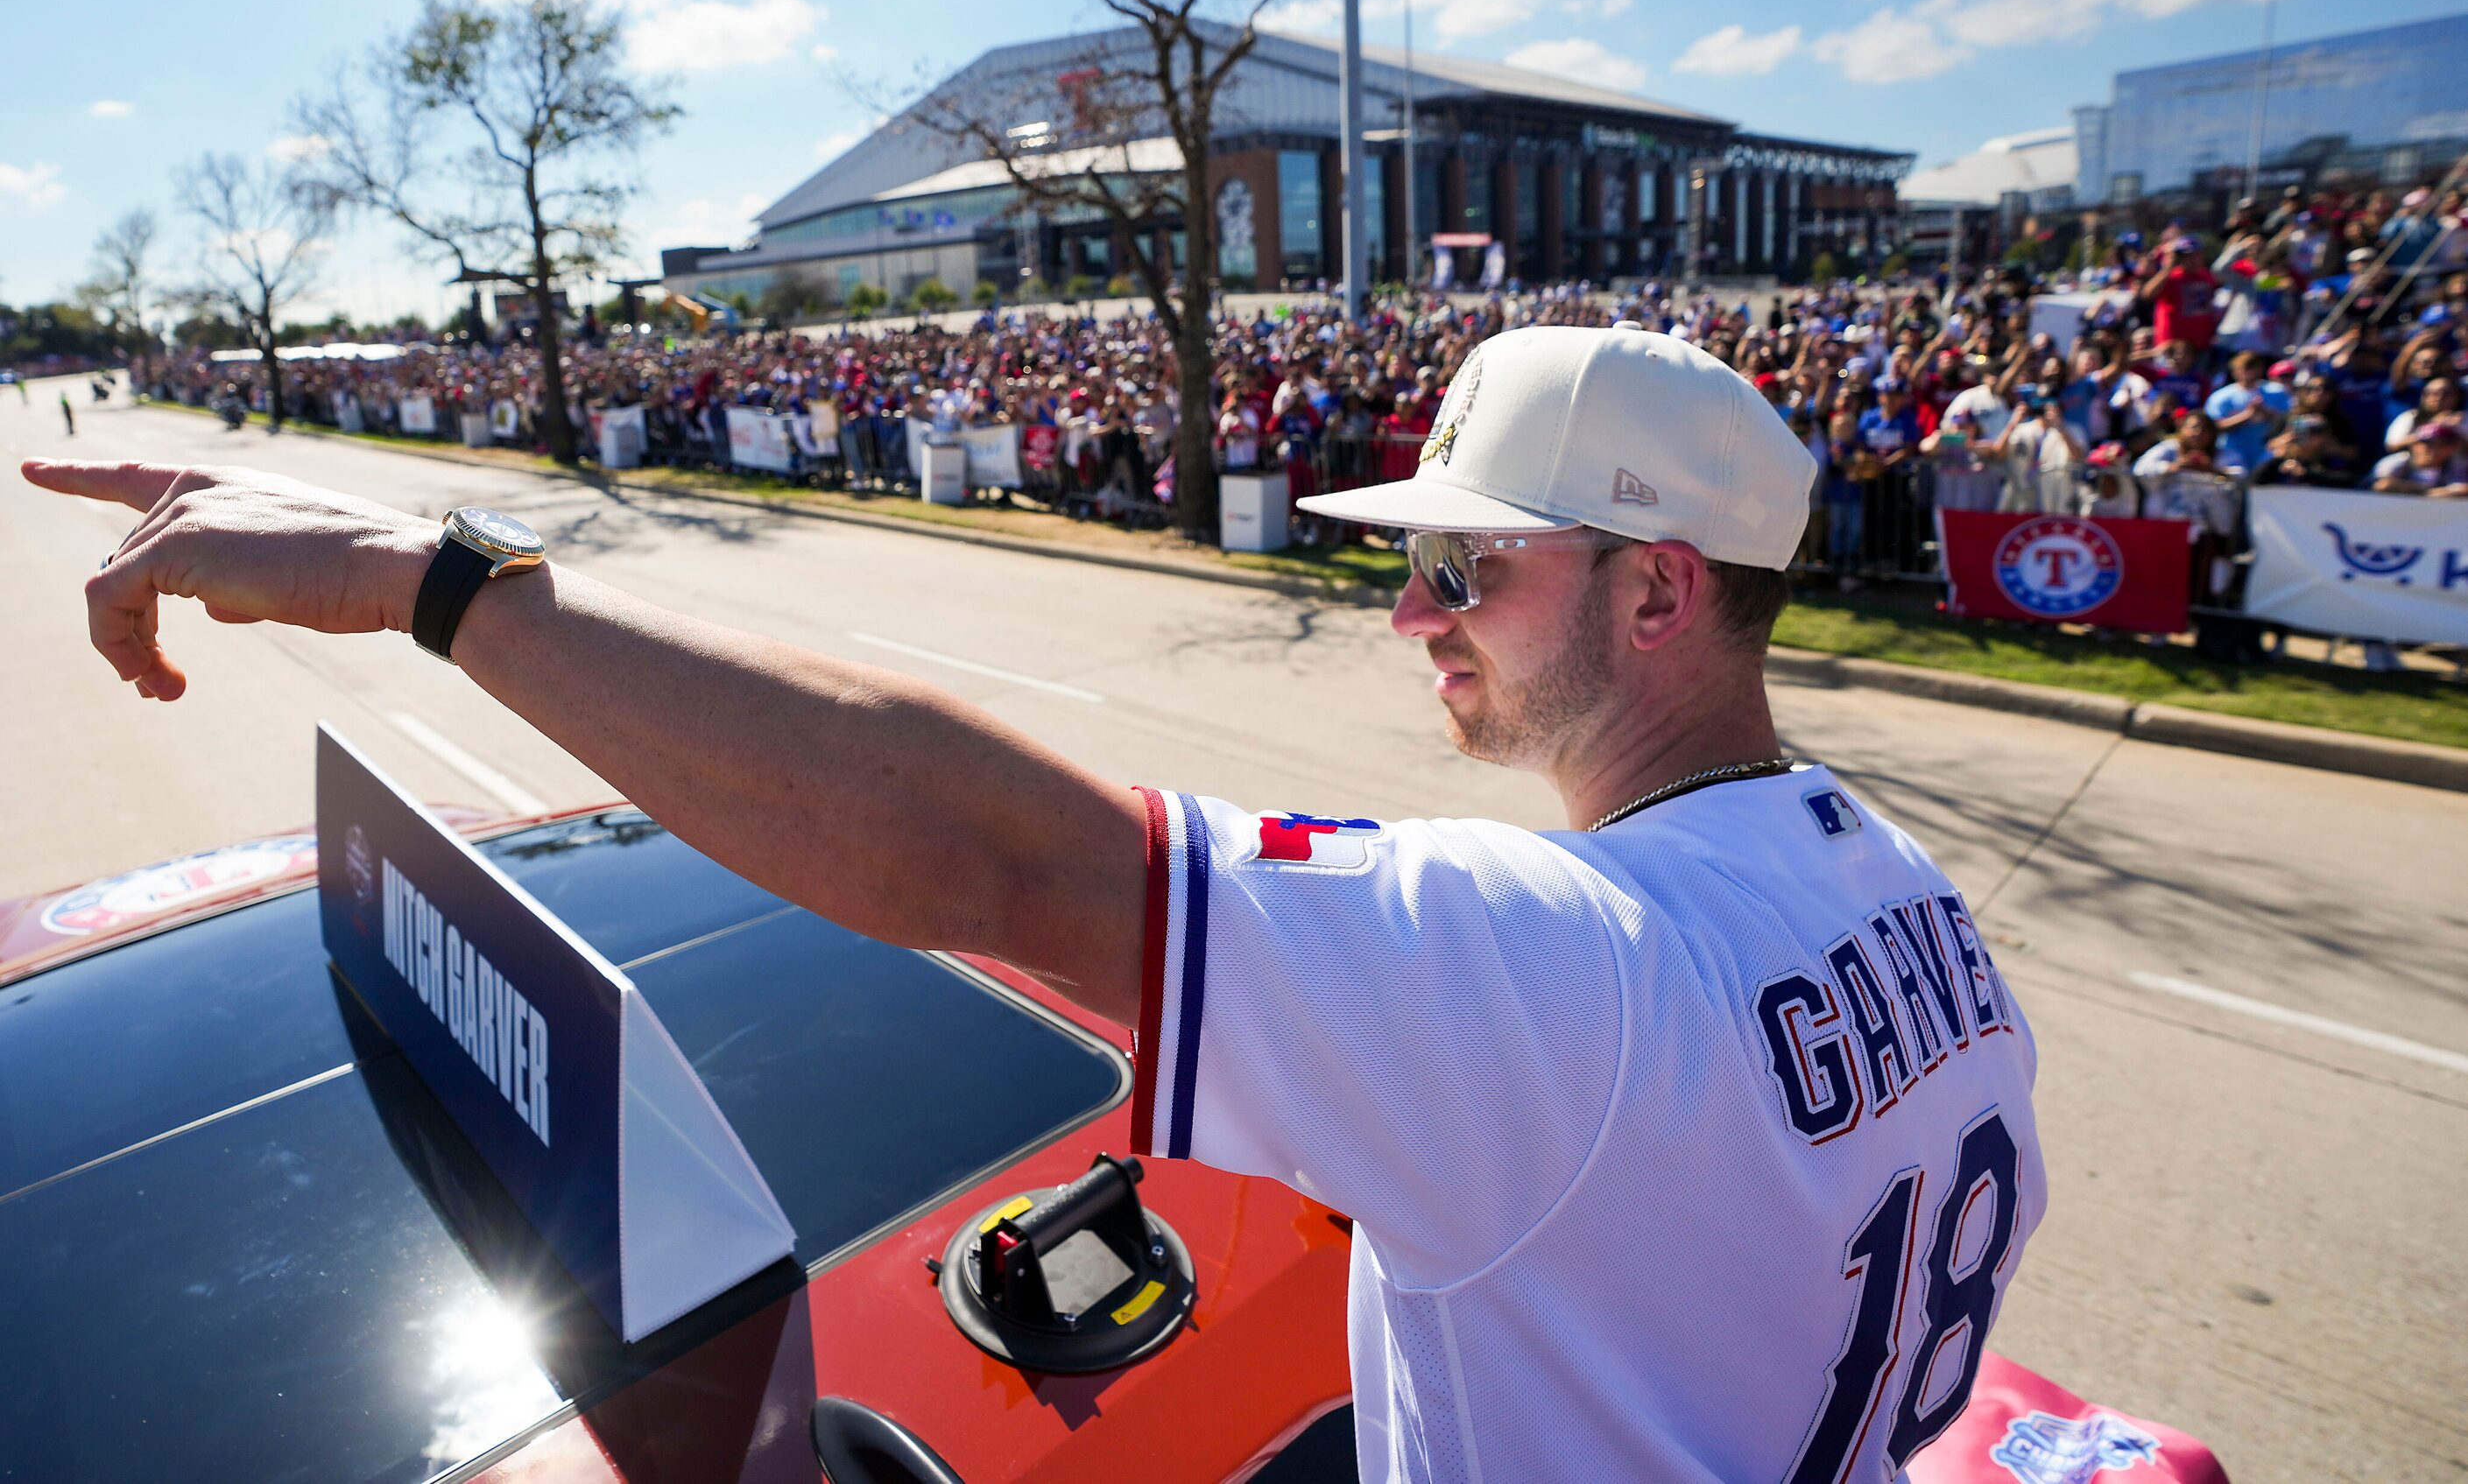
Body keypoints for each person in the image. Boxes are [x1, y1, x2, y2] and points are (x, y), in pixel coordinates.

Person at [25, 324, 2043, 1482]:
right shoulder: (1910, 904)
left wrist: (426, 580)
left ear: (1657, 590)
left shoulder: (1562, 963)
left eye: (1469, 571)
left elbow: (985, 853)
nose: (1411, 613)